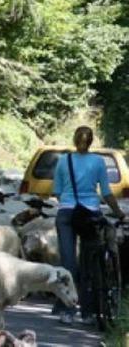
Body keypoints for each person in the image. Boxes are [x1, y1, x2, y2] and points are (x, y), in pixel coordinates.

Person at [52, 125, 125, 325]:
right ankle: (88, 312)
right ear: (91, 141)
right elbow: (107, 193)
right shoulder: (98, 162)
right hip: (91, 215)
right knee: (89, 263)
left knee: (68, 263)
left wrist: (69, 202)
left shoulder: (62, 161)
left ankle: (67, 310)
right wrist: (119, 213)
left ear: (74, 140)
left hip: (67, 214)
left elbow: (57, 192)